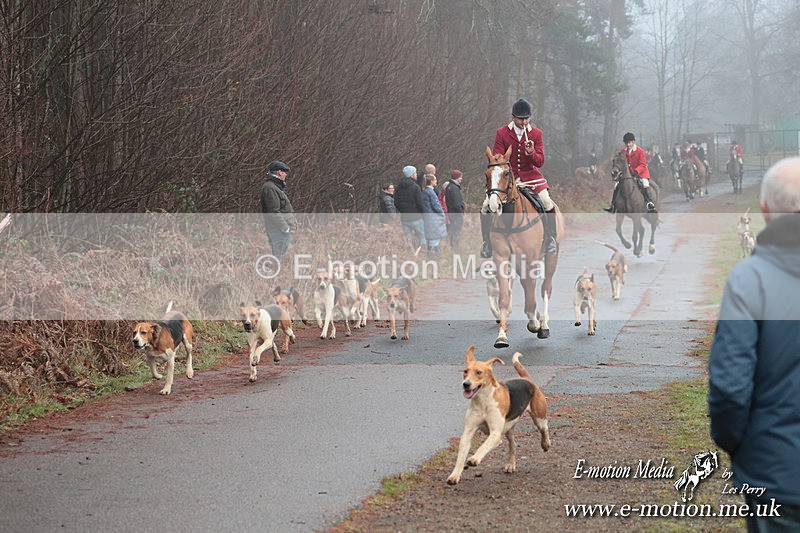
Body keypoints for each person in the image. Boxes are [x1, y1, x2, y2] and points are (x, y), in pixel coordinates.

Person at [708, 156, 800, 532]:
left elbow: (730, 387)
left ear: (763, 211)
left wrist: (742, 448)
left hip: (774, 475)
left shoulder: (749, 280)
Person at [480, 98, 557, 257]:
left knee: (547, 201)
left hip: (531, 176)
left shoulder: (536, 134)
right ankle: (487, 243)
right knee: (486, 206)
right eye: (521, 118)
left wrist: (531, 153)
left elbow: (540, 161)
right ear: (513, 117)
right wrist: (501, 164)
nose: (524, 122)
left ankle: (550, 239)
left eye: (527, 118)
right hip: (508, 177)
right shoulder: (502, 132)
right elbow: (497, 158)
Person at [603, 132, 657, 214]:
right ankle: (613, 206)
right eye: (626, 143)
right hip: (627, 174)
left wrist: (636, 171)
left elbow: (643, 164)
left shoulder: (640, 151)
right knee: (616, 185)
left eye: (629, 142)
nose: (628, 145)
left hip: (640, 173)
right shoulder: (623, 151)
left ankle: (649, 203)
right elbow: (621, 162)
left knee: (645, 184)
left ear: (633, 142)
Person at [260, 160, 297, 258]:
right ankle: (276, 273)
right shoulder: (270, 188)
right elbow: (273, 211)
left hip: (281, 230)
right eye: (285, 172)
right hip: (278, 231)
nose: (285, 175)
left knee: (282, 257)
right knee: (278, 258)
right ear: (279, 172)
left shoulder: (274, 187)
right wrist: (285, 228)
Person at [393, 165, 427, 250]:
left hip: (404, 218)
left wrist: (403, 210)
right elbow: (420, 203)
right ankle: (422, 255)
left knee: (408, 240)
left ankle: (410, 256)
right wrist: (423, 214)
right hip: (416, 217)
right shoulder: (416, 187)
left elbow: (396, 202)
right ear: (411, 175)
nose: (416, 175)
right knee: (422, 238)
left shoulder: (398, 188)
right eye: (415, 173)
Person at [421, 174, 447, 257]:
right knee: (435, 238)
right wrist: (442, 214)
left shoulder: (424, 191)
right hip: (433, 218)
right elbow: (436, 206)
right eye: (435, 180)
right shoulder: (431, 192)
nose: (436, 181)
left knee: (431, 237)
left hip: (427, 217)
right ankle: (434, 256)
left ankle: (430, 255)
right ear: (431, 181)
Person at [444, 169, 466, 248]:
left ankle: (454, 247)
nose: (461, 178)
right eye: (460, 177)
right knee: (455, 232)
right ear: (457, 177)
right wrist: (461, 212)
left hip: (451, 213)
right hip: (456, 214)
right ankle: (455, 249)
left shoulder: (449, 186)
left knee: (453, 232)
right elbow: (457, 203)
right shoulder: (454, 188)